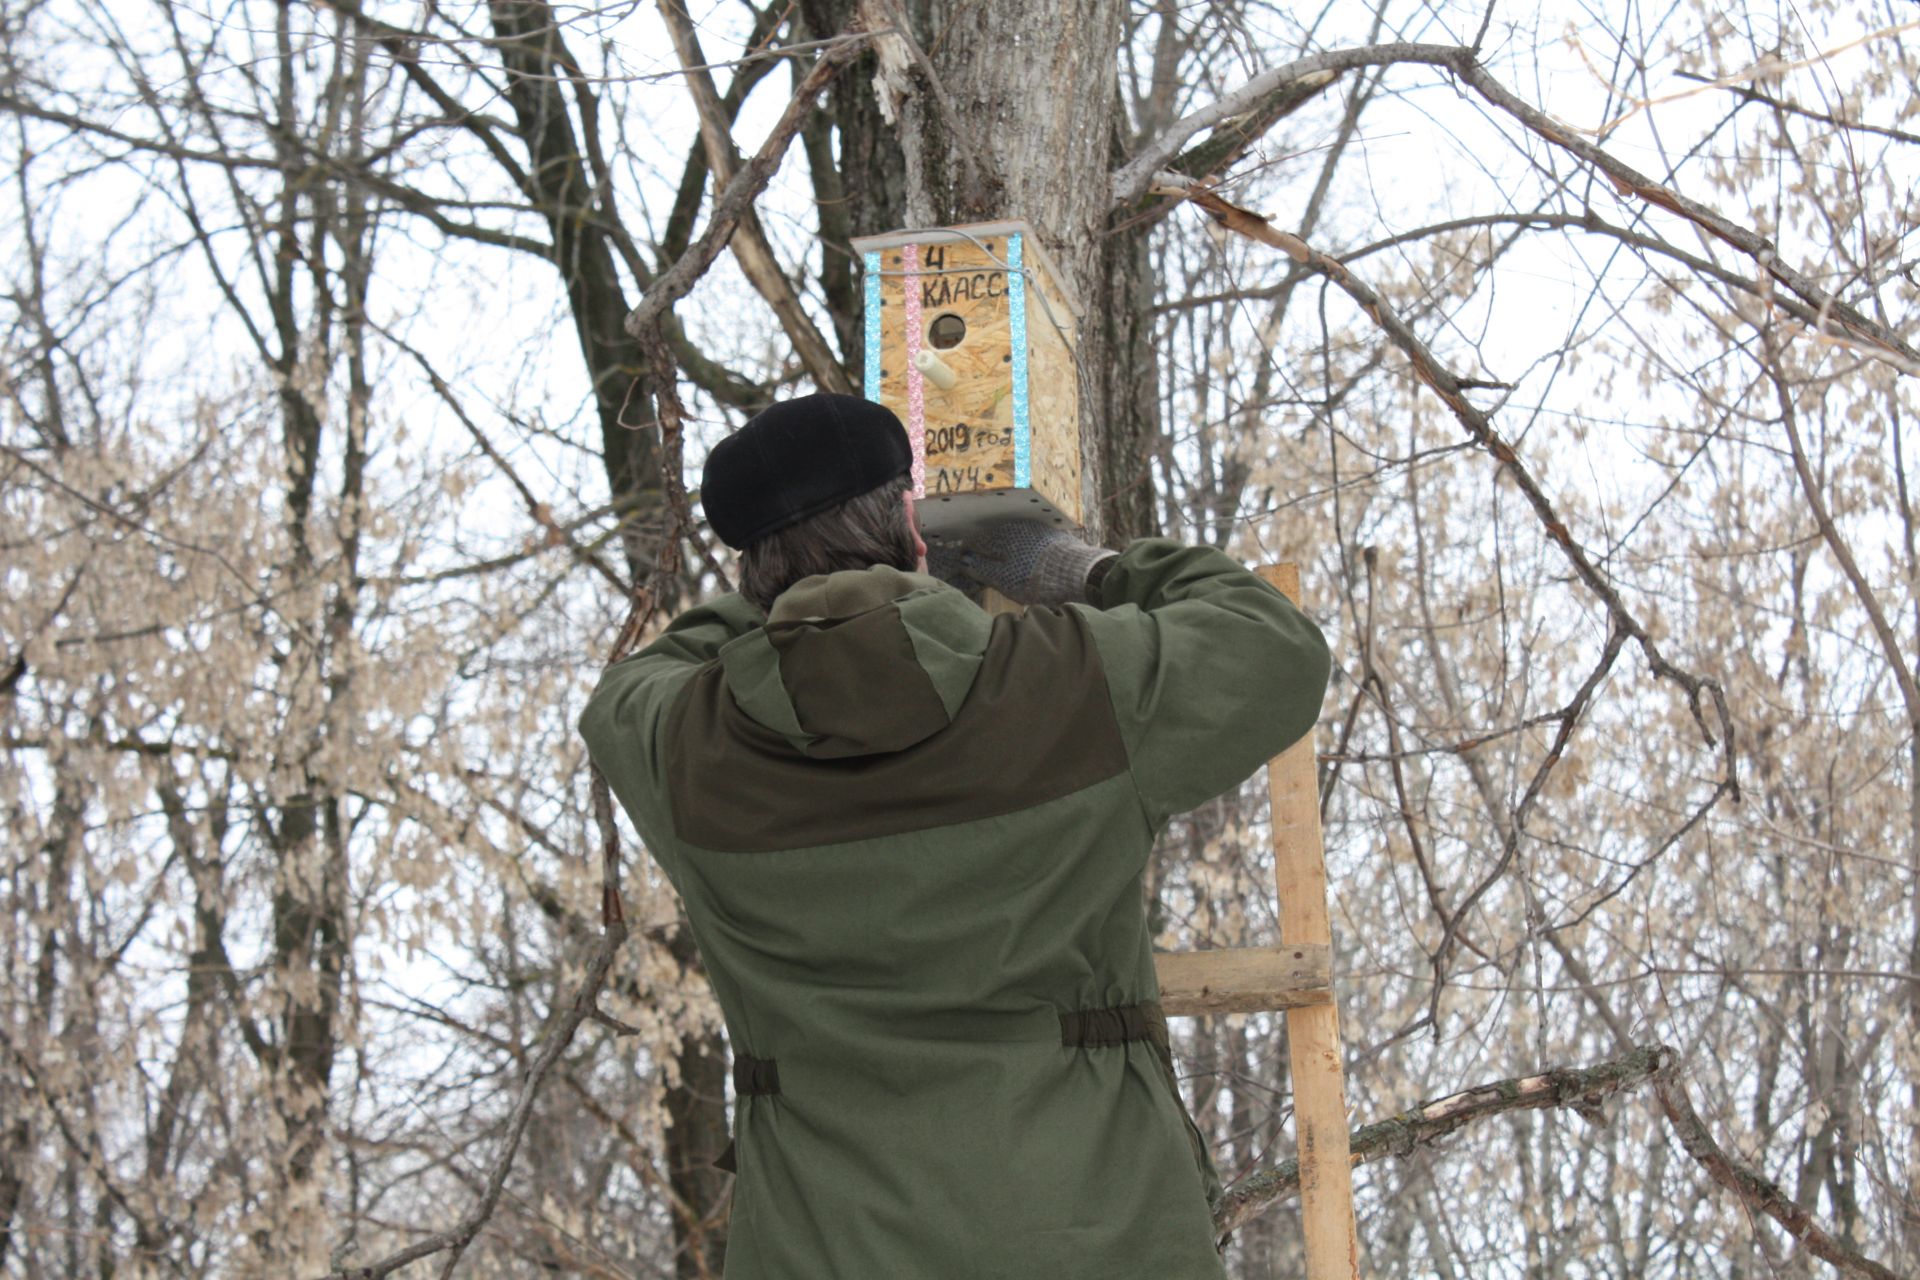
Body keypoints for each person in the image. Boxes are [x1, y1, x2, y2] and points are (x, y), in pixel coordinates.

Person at [579, 392, 1331, 1278]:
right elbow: (1276, 644)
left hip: (819, 1247)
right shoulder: (1074, 685)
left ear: (752, 567)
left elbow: (628, 688)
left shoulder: (685, 749)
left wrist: (786, 593)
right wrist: (1073, 570)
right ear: (910, 521)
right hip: (1101, 1235)